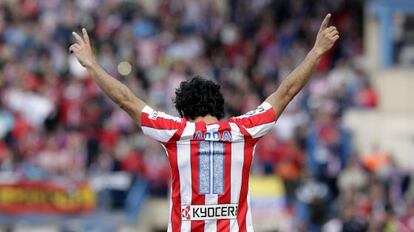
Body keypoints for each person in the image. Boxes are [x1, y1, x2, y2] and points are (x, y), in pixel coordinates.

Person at [69, 13, 339, 232]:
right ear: (219, 108)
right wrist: (316, 52)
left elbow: (125, 100)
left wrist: (92, 65)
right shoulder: (242, 130)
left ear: (183, 112)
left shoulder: (176, 132)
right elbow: (287, 91)